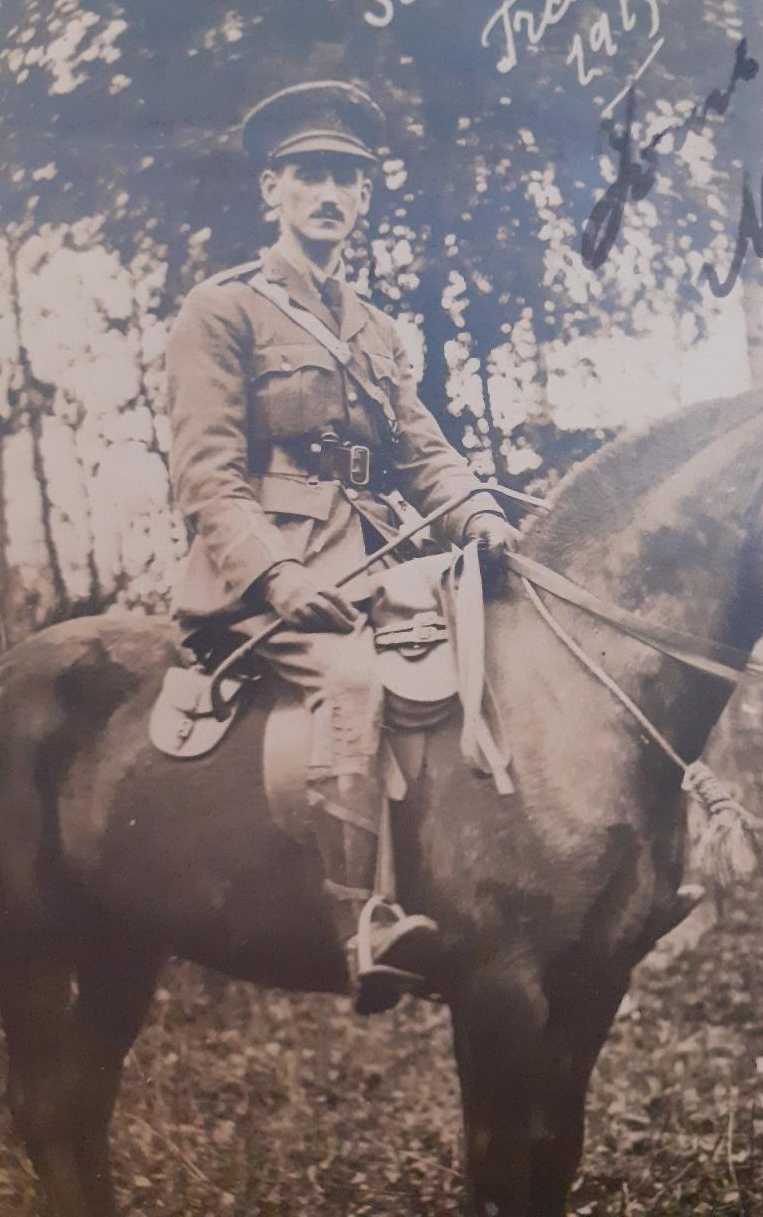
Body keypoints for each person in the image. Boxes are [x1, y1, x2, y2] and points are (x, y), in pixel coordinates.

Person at [165, 80, 516, 1012]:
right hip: (265, 581)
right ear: (272, 190)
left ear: (364, 199)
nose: (330, 194)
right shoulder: (224, 309)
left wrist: (479, 515)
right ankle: (365, 920)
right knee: (354, 680)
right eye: (311, 175)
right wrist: (272, 573)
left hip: (369, 565)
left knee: (486, 654)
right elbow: (205, 471)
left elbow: (424, 452)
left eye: (348, 180)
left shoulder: (374, 329)